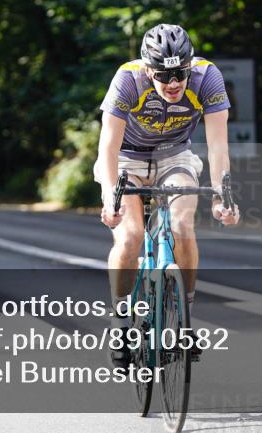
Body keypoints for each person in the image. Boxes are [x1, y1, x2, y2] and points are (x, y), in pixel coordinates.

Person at [96, 23, 240, 368]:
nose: (174, 83)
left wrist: (223, 196)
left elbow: (218, 145)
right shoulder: (128, 79)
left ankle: (185, 318)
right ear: (149, 70)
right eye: (163, 75)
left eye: (180, 73)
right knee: (129, 237)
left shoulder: (207, 77)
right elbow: (108, 148)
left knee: (182, 225)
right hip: (127, 157)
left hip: (175, 155)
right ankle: (119, 321)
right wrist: (108, 198)